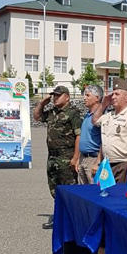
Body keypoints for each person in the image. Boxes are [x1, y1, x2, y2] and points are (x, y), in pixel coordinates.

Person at [33, 85, 82, 228]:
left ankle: (72, 220)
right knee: (55, 190)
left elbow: (79, 135)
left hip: (66, 156)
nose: (55, 98)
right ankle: (60, 217)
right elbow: (37, 117)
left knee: (69, 190)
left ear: (67, 97)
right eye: (54, 95)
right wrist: (42, 103)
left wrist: (75, 158)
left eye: (58, 95)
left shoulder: (73, 113)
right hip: (52, 157)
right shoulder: (52, 112)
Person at [93, 78, 127, 183]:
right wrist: (103, 105)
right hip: (107, 164)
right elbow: (94, 121)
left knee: (121, 197)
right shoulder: (109, 115)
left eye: (117, 94)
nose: (113, 97)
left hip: (123, 164)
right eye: (112, 94)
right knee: (106, 196)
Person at [77, 84, 104, 185]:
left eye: (87, 95)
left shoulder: (101, 117)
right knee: (83, 193)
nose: (84, 98)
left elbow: (104, 140)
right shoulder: (87, 115)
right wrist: (78, 159)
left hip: (93, 159)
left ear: (97, 98)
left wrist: (98, 162)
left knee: (94, 192)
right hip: (83, 158)